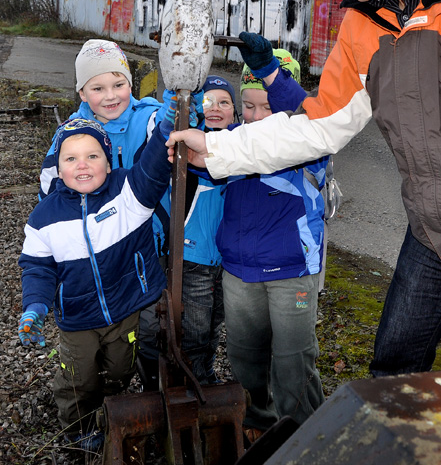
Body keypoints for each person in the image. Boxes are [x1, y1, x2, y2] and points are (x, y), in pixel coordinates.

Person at [166, 0, 441, 379]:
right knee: (394, 375)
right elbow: (317, 124)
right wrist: (217, 148)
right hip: (430, 232)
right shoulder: (365, 23)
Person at [18, 110, 176, 451]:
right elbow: (37, 267)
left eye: (93, 155)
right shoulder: (44, 217)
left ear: (108, 161)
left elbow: (153, 167)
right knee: (77, 380)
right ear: (59, 169)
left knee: (120, 369)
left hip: (125, 309)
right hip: (77, 319)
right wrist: (34, 306)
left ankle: (109, 411)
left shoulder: (128, 193)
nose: (82, 165)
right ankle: (78, 430)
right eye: (71, 158)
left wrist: (167, 126)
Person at [214, 48, 327, 438]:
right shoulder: (230, 140)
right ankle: (258, 425)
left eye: (268, 106)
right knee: (245, 358)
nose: (257, 117)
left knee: (293, 363)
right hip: (241, 272)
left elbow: (313, 115)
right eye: (248, 106)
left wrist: (271, 76)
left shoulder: (311, 140)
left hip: (292, 272)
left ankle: (306, 435)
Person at [138, 75, 237, 385]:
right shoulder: (187, 152)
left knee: (213, 326)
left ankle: (204, 372)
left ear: (235, 110)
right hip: (193, 257)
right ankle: (193, 383)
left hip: (225, 261)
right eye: (208, 101)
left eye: (225, 102)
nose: (217, 108)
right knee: (193, 329)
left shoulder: (242, 149)